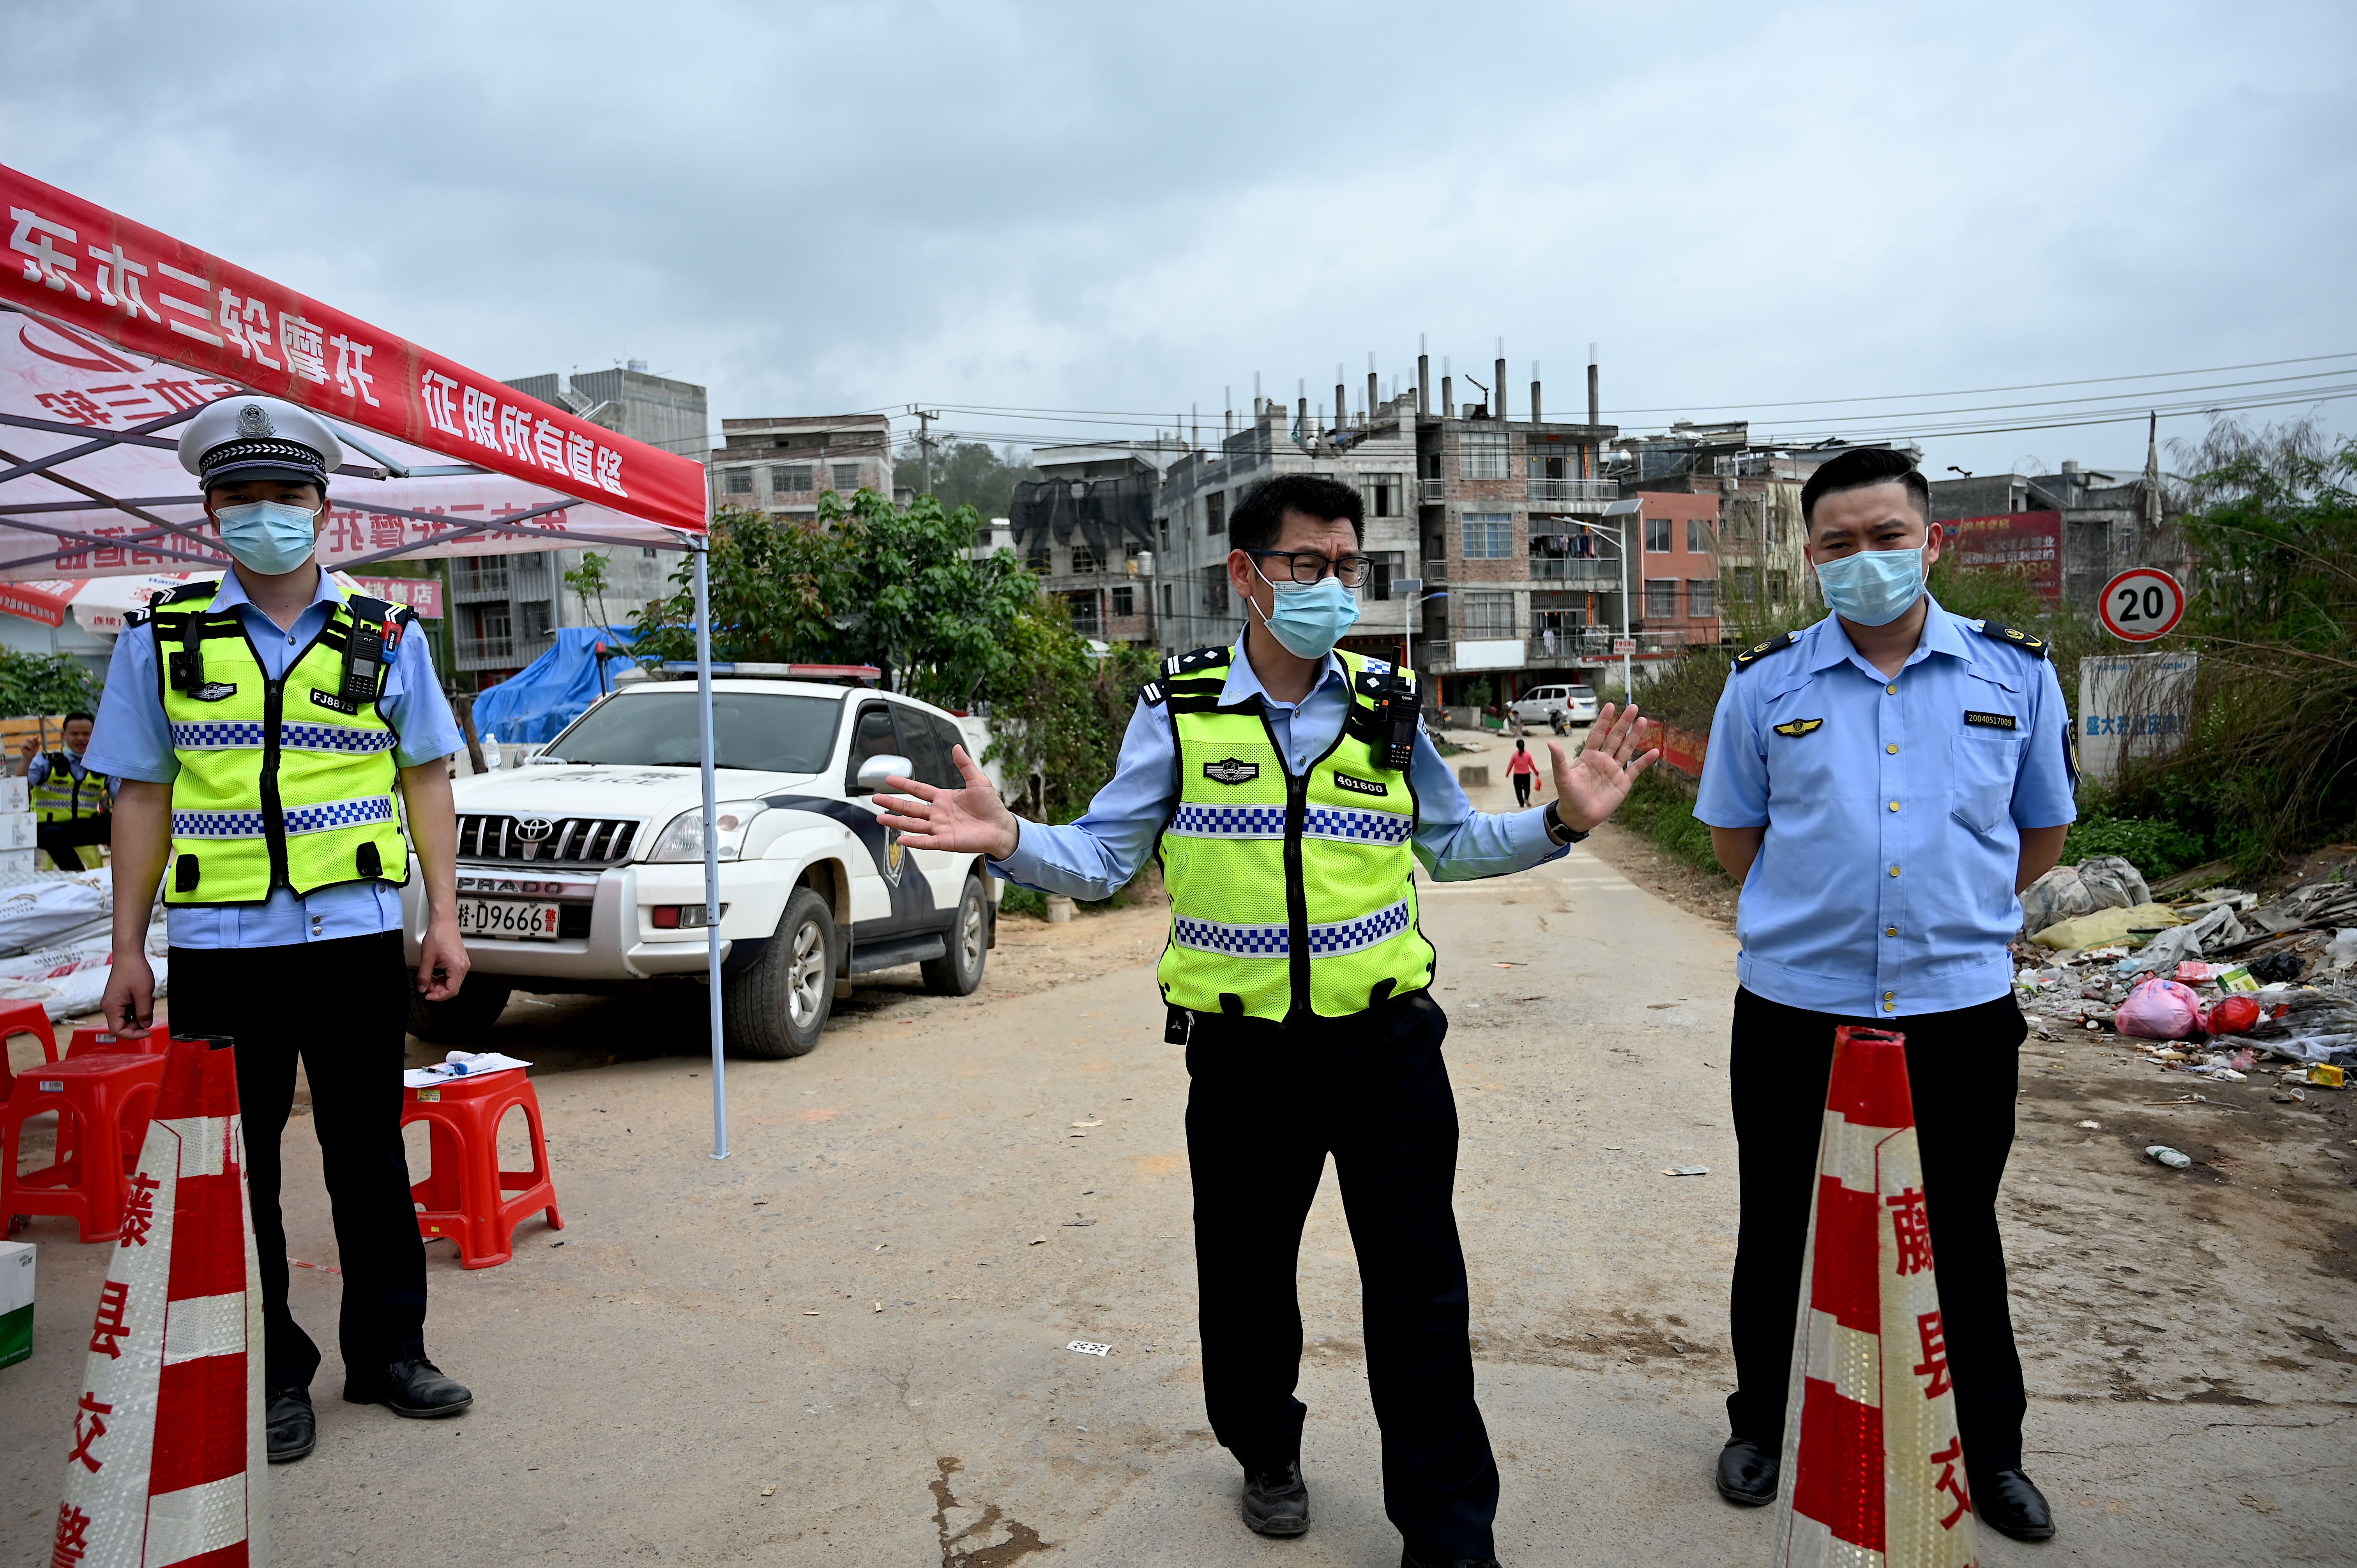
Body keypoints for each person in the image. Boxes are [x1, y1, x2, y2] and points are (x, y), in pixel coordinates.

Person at [878, 473, 1659, 1568]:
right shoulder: (1183, 708)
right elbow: (1104, 859)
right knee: (1246, 1286)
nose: (1334, 585)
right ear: (1245, 575)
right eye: (1308, 565)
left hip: (1388, 1048)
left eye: (1350, 567)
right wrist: (1010, 837)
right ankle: (1265, 1450)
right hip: (1244, 1055)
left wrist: (1559, 824)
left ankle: (1447, 1532)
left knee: (1421, 1298)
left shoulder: (1390, 705)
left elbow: (1451, 845)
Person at [1694, 447, 2075, 1543]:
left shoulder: (2017, 678)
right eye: (1839, 544)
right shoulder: (1766, 686)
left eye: (1887, 537)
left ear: (1932, 542)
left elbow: (2039, 833)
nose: (1865, 561)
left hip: (1958, 1009)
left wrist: (1952, 922)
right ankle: (1760, 1424)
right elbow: (1735, 840)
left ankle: (1989, 1452)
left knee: (1957, 1228)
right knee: (1780, 1221)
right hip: (1795, 1007)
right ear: (1810, 556)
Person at [87, 395, 477, 1466]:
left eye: (288, 496)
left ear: (325, 507)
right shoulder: (162, 638)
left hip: (353, 939)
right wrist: (130, 948)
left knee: (366, 1153)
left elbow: (427, 780)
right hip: (222, 952)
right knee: (235, 1167)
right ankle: (272, 1376)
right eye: (243, 498)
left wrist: (443, 919)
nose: (267, 515)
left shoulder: (386, 636)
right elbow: (140, 799)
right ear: (210, 510)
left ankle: (393, 1352)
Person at [24, 710, 112, 871]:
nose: (80, 738)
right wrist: (27, 759)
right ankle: (79, 875)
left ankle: (128, 876)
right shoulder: (46, 761)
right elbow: (19, 790)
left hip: (85, 827)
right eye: (75, 734)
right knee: (53, 835)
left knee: (120, 825)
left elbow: (124, 798)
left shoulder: (104, 765)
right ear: (64, 735)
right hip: (48, 828)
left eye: (87, 734)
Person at [1506, 736, 1539, 807]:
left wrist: (1508, 773)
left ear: (1517, 746)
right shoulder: (1528, 755)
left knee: (1518, 790)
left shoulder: (1515, 755)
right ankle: (1526, 798)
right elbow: (1532, 765)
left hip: (1517, 776)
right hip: (1526, 775)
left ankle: (1521, 803)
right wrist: (1536, 772)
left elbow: (1511, 765)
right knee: (1527, 788)